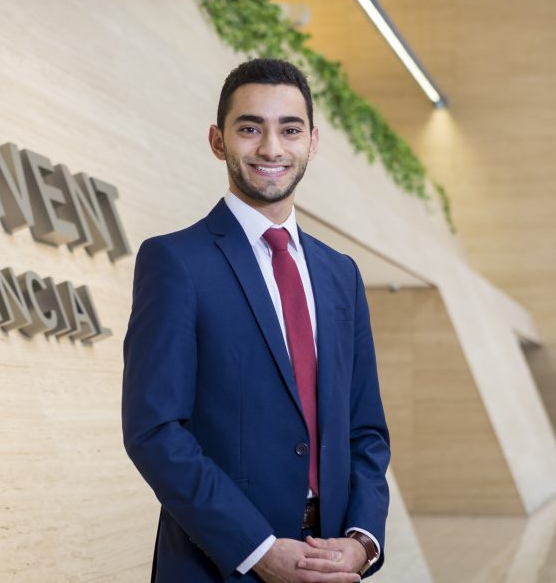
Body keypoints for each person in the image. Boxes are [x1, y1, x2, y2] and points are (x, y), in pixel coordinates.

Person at [122, 58, 390, 582]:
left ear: (312, 141)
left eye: (289, 130)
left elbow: (366, 431)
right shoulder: (176, 262)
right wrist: (258, 549)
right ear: (218, 141)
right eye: (250, 128)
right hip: (220, 563)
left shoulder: (341, 275)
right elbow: (154, 430)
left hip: (331, 562)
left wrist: (362, 540)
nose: (271, 148)